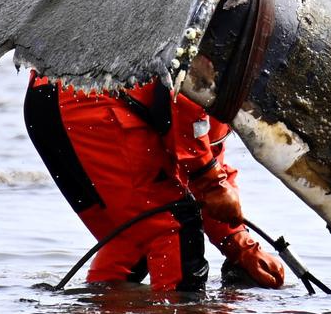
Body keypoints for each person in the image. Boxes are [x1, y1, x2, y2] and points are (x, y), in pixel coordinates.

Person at [22, 71, 287, 292]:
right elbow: (186, 98)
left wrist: (240, 246)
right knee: (173, 227)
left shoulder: (239, 74)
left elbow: (204, 158)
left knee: (134, 237)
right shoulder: (238, 71)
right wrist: (213, 183)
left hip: (52, 94)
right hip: (89, 98)